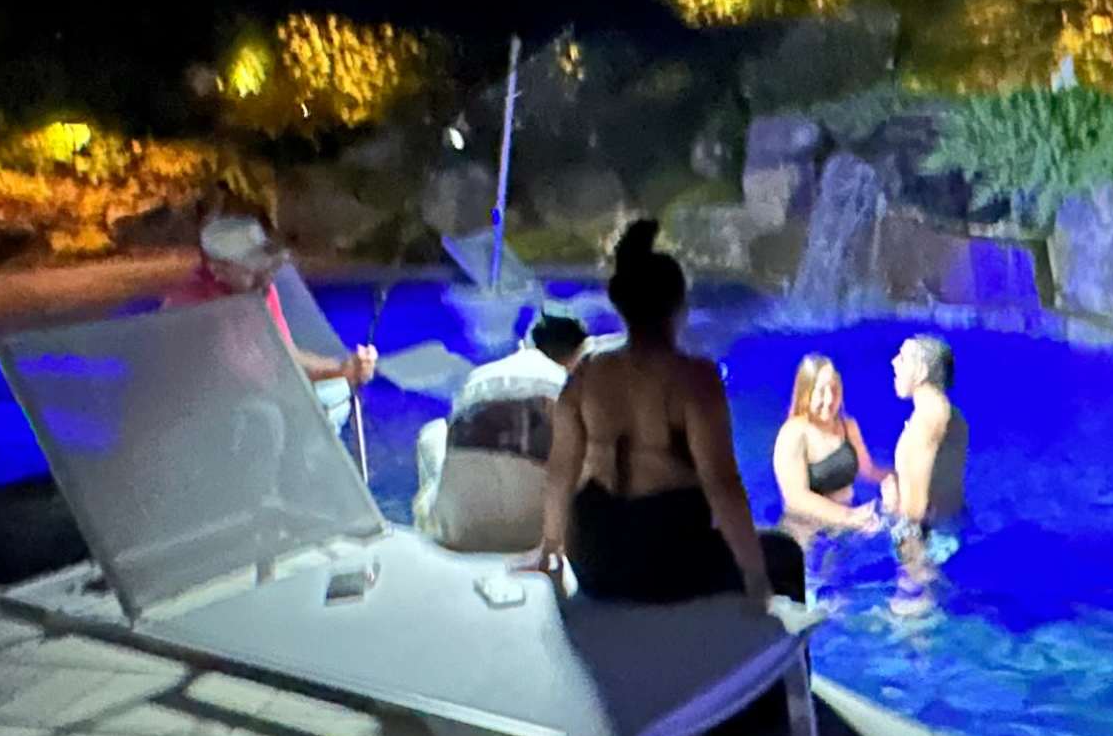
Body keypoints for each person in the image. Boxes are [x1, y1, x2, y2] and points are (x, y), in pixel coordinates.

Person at [533, 219, 802, 603]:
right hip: (668, 561)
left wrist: (551, 551)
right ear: (678, 307)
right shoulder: (695, 378)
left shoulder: (587, 373)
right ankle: (778, 660)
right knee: (786, 554)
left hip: (593, 559)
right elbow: (722, 485)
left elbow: (561, 470)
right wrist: (755, 575)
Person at [415, 311, 583, 551]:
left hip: (458, 532)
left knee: (433, 433)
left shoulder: (481, 377)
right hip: (544, 537)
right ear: (577, 354)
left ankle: (430, 531)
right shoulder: (571, 388)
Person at [168, 210, 377, 393]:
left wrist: (344, 368)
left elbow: (286, 355)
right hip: (215, 409)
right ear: (217, 270)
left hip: (261, 395)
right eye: (254, 269)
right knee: (273, 416)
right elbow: (227, 381)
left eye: (267, 266)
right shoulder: (190, 308)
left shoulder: (261, 290)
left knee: (335, 391)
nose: (266, 277)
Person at [770, 352, 885, 536]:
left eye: (834, 389)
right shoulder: (793, 434)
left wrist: (896, 481)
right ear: (806, 393)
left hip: (848, 521)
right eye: (821, 391)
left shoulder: (848, 426)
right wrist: (850, 517)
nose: (830, 399)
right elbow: (796, 498)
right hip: (807, 529)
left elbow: (868, 471)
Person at [887, 332, 969, 536]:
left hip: (926, 542)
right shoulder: (950, 413)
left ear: (921, 371)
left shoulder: (925, 424)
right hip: (952, 525)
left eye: (903, 358)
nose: (894, 362)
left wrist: (892, 502)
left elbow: (915, 512)